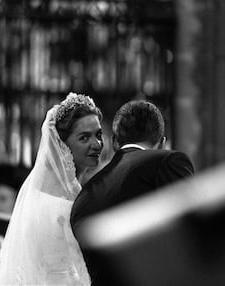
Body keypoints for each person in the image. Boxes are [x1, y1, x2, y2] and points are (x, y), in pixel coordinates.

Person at [70, 99, 195, 285]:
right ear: (161, 143)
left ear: (114, 143)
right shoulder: (169, 161)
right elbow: (191, 236)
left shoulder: (83, 197)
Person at [0, 92, 103, 285]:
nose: (97, 144)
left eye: (98, 134)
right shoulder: (58, 201)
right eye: (84, 138)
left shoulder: (72, 190)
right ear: (62, 146)